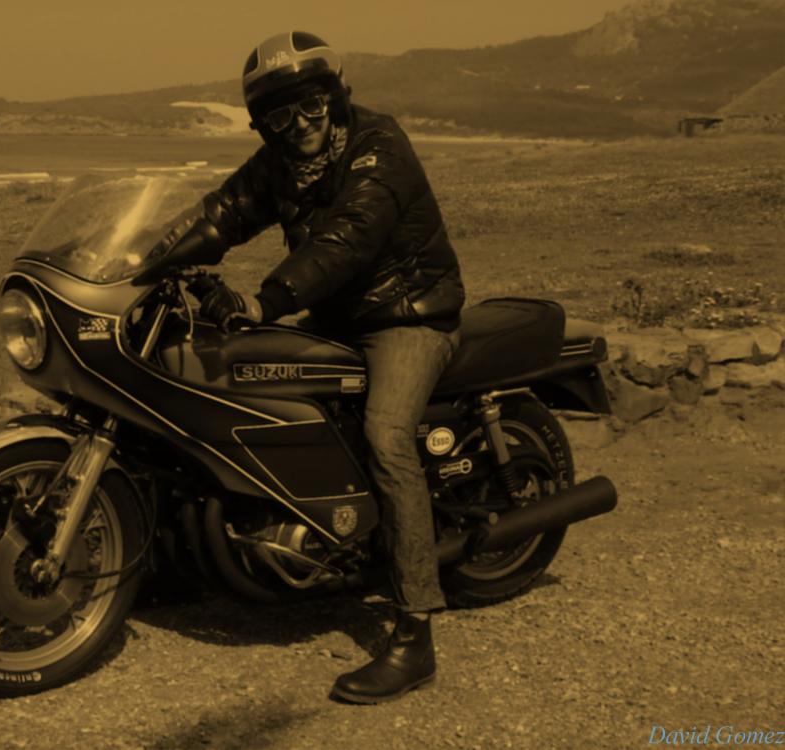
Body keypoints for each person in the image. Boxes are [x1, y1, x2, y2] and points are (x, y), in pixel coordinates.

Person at [161, 31, 466, 703]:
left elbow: (346, 241)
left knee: (386, 438)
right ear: (263, 124)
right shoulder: (280, 164)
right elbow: (223, 213)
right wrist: (149, 259)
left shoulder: (379, 147)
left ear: (334, 98)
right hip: (337, 320)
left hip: (407, 316)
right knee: (242, 386)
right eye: (279, 115)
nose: (298, 124)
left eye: (310, 106)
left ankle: (414, 630)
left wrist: (265, 301)